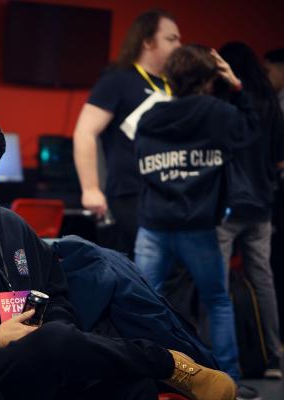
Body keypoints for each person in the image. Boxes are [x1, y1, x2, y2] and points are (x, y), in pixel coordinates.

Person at [0, 111, 236, 400]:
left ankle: (152, 370)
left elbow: (56, 292)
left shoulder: (13, 224)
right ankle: (169, 363)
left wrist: (57, 324)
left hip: (46, 350)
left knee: (134, 387)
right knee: (55, 341)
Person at [133, 45, 262, 398]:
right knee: (217, 301)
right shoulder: (219, 112)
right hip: (198, 226)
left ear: (170, 78)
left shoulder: (150, 116)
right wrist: (236, 85)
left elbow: (138, 160)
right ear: (209, 80)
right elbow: (253, 130)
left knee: (143, 301)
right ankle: (228, 381)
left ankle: (150, 375)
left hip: (153, 224)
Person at [73, 9, 181, 258]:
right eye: (171, 39)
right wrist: (90, 188)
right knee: (143, 263)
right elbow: (85, 132)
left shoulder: (175, 84)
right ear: (148, 42)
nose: (179, 45)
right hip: (131, 192)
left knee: (173, 266)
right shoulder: (118, 80)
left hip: (171, 192)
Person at [216, 42, 284, 379]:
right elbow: (279, 157)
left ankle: (226, 362)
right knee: (264, 280)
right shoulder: (271, 102)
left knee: (217, 285)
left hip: (228, 205)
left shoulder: (226, 103)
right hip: (263, 204)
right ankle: (274, 357)